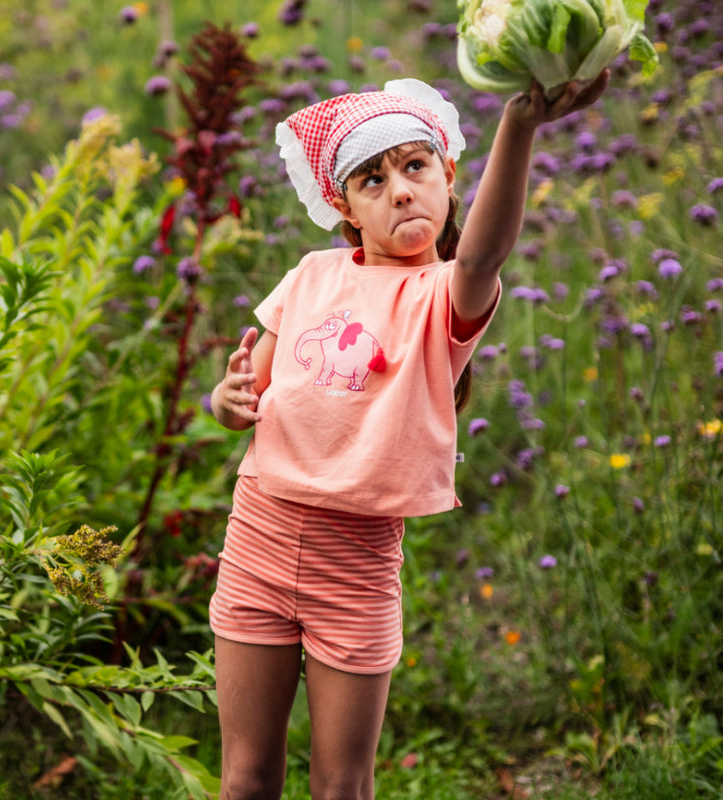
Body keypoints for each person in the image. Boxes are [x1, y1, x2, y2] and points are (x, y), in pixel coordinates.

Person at [209, 70, 609, 799]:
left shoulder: (444, 295)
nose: (399, 189)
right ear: (346, 209)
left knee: (342, 787)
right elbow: (247, 394)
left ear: (447, 177)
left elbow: (486, 254)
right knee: (245, 779)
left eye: (414, 167)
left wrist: (519, 124)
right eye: (372, 178)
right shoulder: (308, 276)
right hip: (258, 541)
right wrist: (225, 400)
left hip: (354, 570)